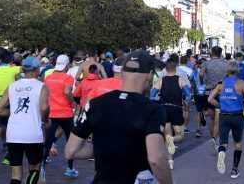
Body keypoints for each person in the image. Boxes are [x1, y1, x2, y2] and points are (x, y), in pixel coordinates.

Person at [65, 50, 172, 184]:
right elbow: (156, 158)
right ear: (149, 75)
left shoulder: (95, 104)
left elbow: (71, 151)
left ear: (122, 73)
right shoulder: (153, 109)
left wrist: (105, 147)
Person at [0, 56, 49, 184]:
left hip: (13, 134)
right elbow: (44, 107)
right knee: (34, 169)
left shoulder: (12, 86)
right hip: (33, 134)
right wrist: (45, 119)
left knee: (15, 174)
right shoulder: (41, 86)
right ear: (37, 70)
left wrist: (12, 112)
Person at [208, 61, 244, 179]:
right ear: (237, 70)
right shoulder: (241, 83)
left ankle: (222, 152)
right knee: (238, 143)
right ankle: (234, 169)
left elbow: (210, 99)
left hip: (224, 115)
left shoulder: (220, 84)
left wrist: (220, 106)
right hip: (237, 115)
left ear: (226, 70)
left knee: (223, 142)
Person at [42, 54, 78, 179]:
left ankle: (41, 168)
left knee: (48, 141)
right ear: (67, 65)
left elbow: (44, 95)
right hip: (66, 113)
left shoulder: (48, 78)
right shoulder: (67, 78)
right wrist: (72, 101)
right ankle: (70, 168)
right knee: (70, 141)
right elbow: (68, 91)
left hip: (52, 113)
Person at [155, 59, 191, 170]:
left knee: (168, 134)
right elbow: (188, 94)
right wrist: (185, 100)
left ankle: (170, 160)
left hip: (164, 108)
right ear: (175, 69)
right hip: (176, 108)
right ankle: (170, 151)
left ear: (165, 69)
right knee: (180, 136)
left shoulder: (161, 80)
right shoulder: (180, 79)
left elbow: (152, 94)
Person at [200, 46, 229, 152]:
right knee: (221, 116)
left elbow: (201, 74)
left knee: (211, 117)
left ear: (212, 53)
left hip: (209, 91)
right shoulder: (226, 64)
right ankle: (217, 139)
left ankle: (213, 137)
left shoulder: (206, 63)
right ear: (221, 53)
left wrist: (203, 81)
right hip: (222, 91)